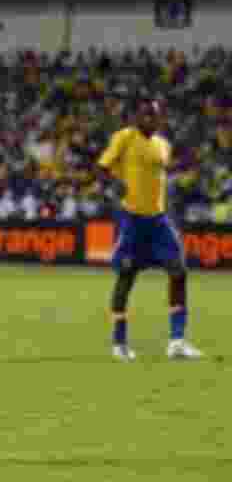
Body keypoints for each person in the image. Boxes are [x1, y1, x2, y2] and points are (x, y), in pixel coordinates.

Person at [96, 97, 204, 362]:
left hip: (158, 220)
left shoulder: (162, 144)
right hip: (132, 219)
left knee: (178, 271)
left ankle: (177, 341)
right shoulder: (125, 137)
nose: (150, 120)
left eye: (154, 116)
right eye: (146, 115)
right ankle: (119, 343)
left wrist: (187, 164)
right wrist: (113, 188)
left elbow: (161, 172)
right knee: (126, 276)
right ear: (136, 117)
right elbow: (102, 168)